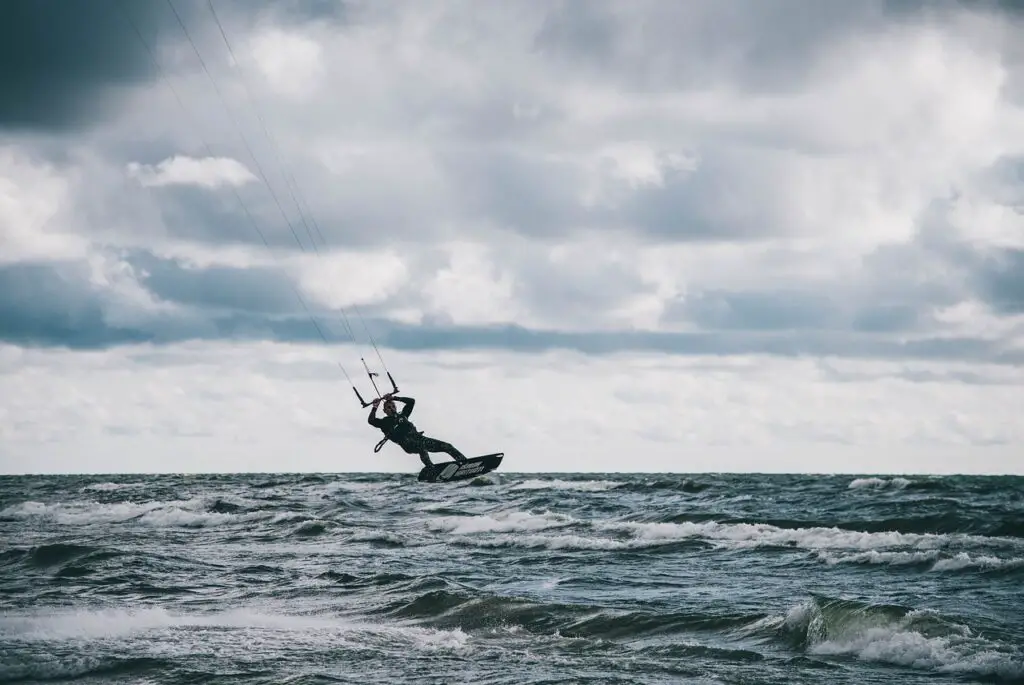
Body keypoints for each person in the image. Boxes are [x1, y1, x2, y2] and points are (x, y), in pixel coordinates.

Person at [367, 394, 467, 467]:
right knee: (421, 448)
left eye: (393, 406)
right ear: (384, 411)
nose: (391, 408)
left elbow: (412, 401)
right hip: (408, 444)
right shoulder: (384, 422)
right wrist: (375, 407)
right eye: (388, 407)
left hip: (420, 439)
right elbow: (371, 421)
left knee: (447, 446)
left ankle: (465, 464)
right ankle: (431, 468)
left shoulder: (403, 415)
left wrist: (394, 398)